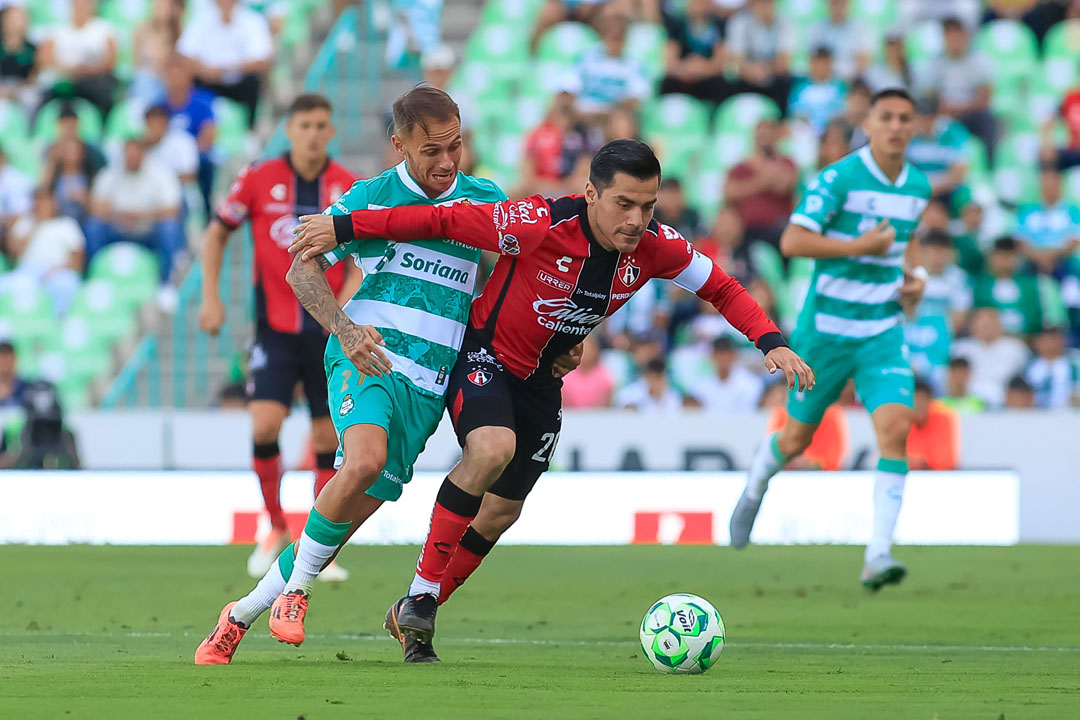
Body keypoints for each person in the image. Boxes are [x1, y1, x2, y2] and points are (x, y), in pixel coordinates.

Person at [290, 138, 813, 662]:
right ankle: (422, 596)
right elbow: (441, 219)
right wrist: (346, 226)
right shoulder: (537, 221)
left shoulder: (658, 246)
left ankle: (413, 609)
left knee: (501, 513)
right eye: (624, 204)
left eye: (648, 206)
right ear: (591, 193)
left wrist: (772, 342)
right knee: (491, 449)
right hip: (484, 356)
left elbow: (721, 287)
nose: (636, 220)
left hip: (542, 381)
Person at [193, 85, 514, 666]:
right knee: (362, 462)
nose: (447, 162)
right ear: (399, 145)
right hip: (367, 357)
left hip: (428, 386)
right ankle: (297, 593)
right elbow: (301, 270)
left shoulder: (485, 199)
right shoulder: (369, 197)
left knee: (333, 528)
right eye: (431, 151)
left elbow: (516, 275)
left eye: (455, 147)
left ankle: (238, 616)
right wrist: (344, 330)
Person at [729, 88, 933, 592]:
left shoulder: (918, 185)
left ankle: (877, 555)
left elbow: (906, 242)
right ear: (869, 123)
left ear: (914, 126)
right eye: (886, 117)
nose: (896, 127)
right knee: (796, 439)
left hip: (882, 330)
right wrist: (858, 246)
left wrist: (915, 279)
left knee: (896, 428)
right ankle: (756, 484)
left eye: (905, 118)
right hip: (825, 332)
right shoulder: (839, 177)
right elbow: (792, 240)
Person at [197, 94, 359, 582]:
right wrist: (210, 297)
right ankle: (274, 527)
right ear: (289, 130)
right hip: (274, 330)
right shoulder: (258, 178)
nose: (313, 133)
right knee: (265, 424)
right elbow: (217, 233)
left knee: (326, 437)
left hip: (327, 333)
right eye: (305, 124)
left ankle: (317, 548)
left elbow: (363, 255)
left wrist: (343, 308)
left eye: (321, 125)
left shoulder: (348, 186)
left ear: (331, 132)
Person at [84, 136, 185, 304]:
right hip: (117, 229)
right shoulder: (110, 174)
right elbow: (95, 207)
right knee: (93, 226)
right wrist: (120, 216)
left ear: (144, 154)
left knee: (169, 228)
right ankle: (95, 278)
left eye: (135, 155)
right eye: (128, 155)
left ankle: (166, 284)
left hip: (148, 230)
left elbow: (173, 209)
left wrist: (142, 215)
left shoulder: (161, 173)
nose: (131, 159)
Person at [177, 0, 273, 129]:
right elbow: (184, 54)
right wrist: (204, 70)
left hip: (240, 81)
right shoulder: (201, 19)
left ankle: (251, 129)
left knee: (254, 81)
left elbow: (262, 60)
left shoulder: (253, 21)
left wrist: (229, 70)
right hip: (207, 81)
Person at [916, 17, 996, 161]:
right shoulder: (936, 62)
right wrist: (944, 107)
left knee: (986, 118)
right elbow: (930, 95)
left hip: (970, 112)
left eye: (957, 37)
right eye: (950, 37)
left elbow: (985, 97)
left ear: (965, 37)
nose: (954, 42)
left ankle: (989, 161)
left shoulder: (978, 61)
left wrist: (961, 108)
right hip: (943, 111)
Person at [3, 187, 84, 316]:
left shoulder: (66, 224)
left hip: (58, 271)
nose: (41, 205)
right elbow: (13, 257)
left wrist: (57, 270)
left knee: (66, 284)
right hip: (27, 272)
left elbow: (77, 263)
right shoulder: (25, 223)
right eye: (38, 201)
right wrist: (36, 225)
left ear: (54, 203)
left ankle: (59, 321)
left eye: (45, 201)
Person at [723, 119, 798, 253]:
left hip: (778, 228)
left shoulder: (786, 162)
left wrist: (760, 170)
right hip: (748, 230)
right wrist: (762, 181)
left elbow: (785, 186)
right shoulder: (741, 167)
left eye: (768, 135)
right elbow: (729, 192)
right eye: (761, 136)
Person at [38, 0, 118, 120]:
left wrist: (90, 70)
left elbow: (110, 61)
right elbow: (45, 59)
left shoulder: (104, 29)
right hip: (65, 79)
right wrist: (69, 70)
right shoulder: (57, 29)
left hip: (94, 79)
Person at [160, 57, 216, 218]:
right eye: (170, 75)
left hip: (194, 157)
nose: (174, 80)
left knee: (205, 162)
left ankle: (206, 212)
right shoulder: (160, 106)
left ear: (188, 77)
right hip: (167, 157)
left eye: (178, 75)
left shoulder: (202, 103)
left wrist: (186, 155)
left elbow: (208, 137)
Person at [574, 8, 650, 118]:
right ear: (603, 35)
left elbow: (635, 100)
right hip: (584, 116)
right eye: (613, 34)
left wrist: (607, 113)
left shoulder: (635, 65)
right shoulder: (585, 59)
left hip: (615, 118)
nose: (617, 40)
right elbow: (568, 88)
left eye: (620, 36)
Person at [951, 308, 1030, 408]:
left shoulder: (1017, 348)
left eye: (991, 324)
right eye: (983, 325)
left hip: (1006, 405)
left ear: (1000, 325)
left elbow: (1026, 379)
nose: (987, 328)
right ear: (973, 326)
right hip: (967, 404)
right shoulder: (960, 349)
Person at [725, 0, 793, 112]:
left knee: (786, 81)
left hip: (771, 75)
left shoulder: (784, 23)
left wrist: (765, 69)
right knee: (727, 78)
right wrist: (751, 70)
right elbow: (736, 59)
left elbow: (783, 63)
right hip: (746, 75)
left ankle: (780, 116)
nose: (765, 7)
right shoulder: (740, 22)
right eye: (762, 3)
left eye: (768, 3)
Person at [1015, 164, 1080, 278]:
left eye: (1052, 184)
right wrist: (1038, 257)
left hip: (1063, 261)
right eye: (1045, 183)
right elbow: (1020, 240)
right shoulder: (1027, 210)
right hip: (1032, 262)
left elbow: (1074, 241)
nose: (1049, 187)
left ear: (1060, 185)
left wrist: (1051, 256)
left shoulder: (1073, 211)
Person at [659, 0, 730, 105]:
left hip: (708, 76)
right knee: (668, 84)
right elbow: (671, 62)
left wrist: (703, 68)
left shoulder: (719, 25)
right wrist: (687, 69)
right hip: (683, 76)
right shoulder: (676, 25)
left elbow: (720, 61)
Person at [971, 236, 1042, 338]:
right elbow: (978, 313)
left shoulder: (1029, 285)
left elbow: (1036, 316)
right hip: (991, 339)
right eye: (1000, 256)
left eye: (1009, 256)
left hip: (1025, 339)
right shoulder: (981, 284)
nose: (1005, 261)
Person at [905, 95, 970, 205]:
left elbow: (958, 173)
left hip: (947, 192)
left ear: (935, 117)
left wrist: (930, 189)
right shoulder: (908, 133)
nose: (920, 123)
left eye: (926, 119)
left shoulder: (954, 132)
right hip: (917, 190)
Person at [691, 336, 764, 411]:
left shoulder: (751, 384)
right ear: (712, 356)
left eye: (727, 354)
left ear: (734, 356)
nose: (723, 359)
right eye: (719, 354)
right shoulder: (700, 387)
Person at [787, 46, 847, 135]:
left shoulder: (840, 87)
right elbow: (794, 110)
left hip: (833, 131)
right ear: (812, 64)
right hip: (805, 131)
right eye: (818, 63)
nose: (821, 68)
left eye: (825, 64)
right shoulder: (800, 87)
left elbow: (843, 111)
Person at [806, 0, 870, 80]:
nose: (837, 4)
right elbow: (813, 63)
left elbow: (863, 63)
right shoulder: (817, 29)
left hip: (851, 82)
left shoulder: (859, 29)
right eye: (834, 2)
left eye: (840, 1)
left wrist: (846, 82)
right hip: (824, 82)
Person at [905, 378, 959, 470]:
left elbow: (945, 461)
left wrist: (919, 461)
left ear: (930, 401)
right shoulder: (902, 419)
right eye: (915, 399)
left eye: (923, 399)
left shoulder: (943, 417)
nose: (919, 404)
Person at [142, 104, 199, 186]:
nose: (154, 129)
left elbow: (189, 176)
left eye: (157, 125)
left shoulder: (183, 141)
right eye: (150, 125)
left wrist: (163, 182)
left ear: (166, 123)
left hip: (181, 188)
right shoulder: (142, 146)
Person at [1025, 326, 1077, 409]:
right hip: (1035, 413)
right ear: (1037, 342)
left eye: (1052, 340)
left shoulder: (1073, 367)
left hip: (1066, 412)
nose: (1049, 345)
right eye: (1045, 341)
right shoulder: (1029, 367)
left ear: (1061, 342)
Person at [0, 5, 38, 108]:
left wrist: (16, 89)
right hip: (2, 86)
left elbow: (33, 75)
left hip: (22, 88)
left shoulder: (31, 48)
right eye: (11, 19)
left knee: (30, 97)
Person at [615, 356, 685, 411]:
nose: (656, 382)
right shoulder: (630, 393)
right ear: (647, 376)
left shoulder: (671, 395)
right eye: (654, 377)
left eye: (659, 377)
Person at [561, 337, 614, 409]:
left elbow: (606, 402)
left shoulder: (604, 376)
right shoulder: (566, 374)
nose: (586, 355)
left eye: (589, 351)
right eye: (583, 352)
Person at [653, 177, 705, 243]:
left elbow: (701, 240)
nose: (671, 201)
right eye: (668, 196)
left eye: (674, 195)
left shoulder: (692, 216)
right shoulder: (652, 217)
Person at [0, 340, 27, 408]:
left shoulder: (27, 389)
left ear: (15, 360)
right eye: (2, 359)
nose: (5, 364)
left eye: (8, 359)